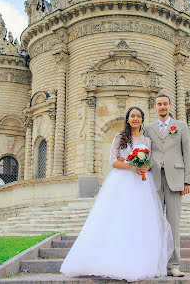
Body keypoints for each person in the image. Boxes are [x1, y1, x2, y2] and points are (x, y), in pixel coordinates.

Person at [60, 107, 173, 281]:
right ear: (128, 119)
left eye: (138, 116)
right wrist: (132, 165)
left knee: (141, 222)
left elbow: (151, 161)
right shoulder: (119, 138)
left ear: (142, 120)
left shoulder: (147, 140)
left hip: (142, 185)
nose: (135, 118)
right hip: (122, 182)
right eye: (132, 116)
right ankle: (113, 260)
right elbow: (113, 161)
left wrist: (146, 166)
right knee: (119, 219)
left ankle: (140, 262)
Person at [143, 94, 190, 277]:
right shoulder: (148, 128)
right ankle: (156, 264)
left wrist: (187, 180)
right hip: (154, 179)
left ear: (169, 106)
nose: (162, 107)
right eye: (159, 104)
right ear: (155, 107)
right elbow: (145, 151)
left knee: (173, 224)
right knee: (155, 224)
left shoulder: (181, 126)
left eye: (165, 104)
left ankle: (174, 265)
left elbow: (186, 154)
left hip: (175, 179)